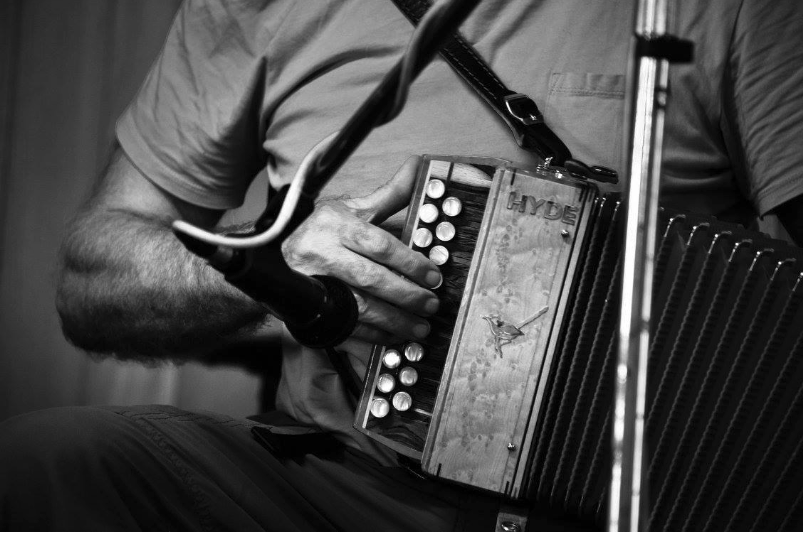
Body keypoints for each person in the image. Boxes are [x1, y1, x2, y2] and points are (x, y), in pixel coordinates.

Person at [2, 0, 803, 530]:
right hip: (344, 486)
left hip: (634, 499)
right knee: (46, 461)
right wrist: (279, 277)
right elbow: (93, 275)